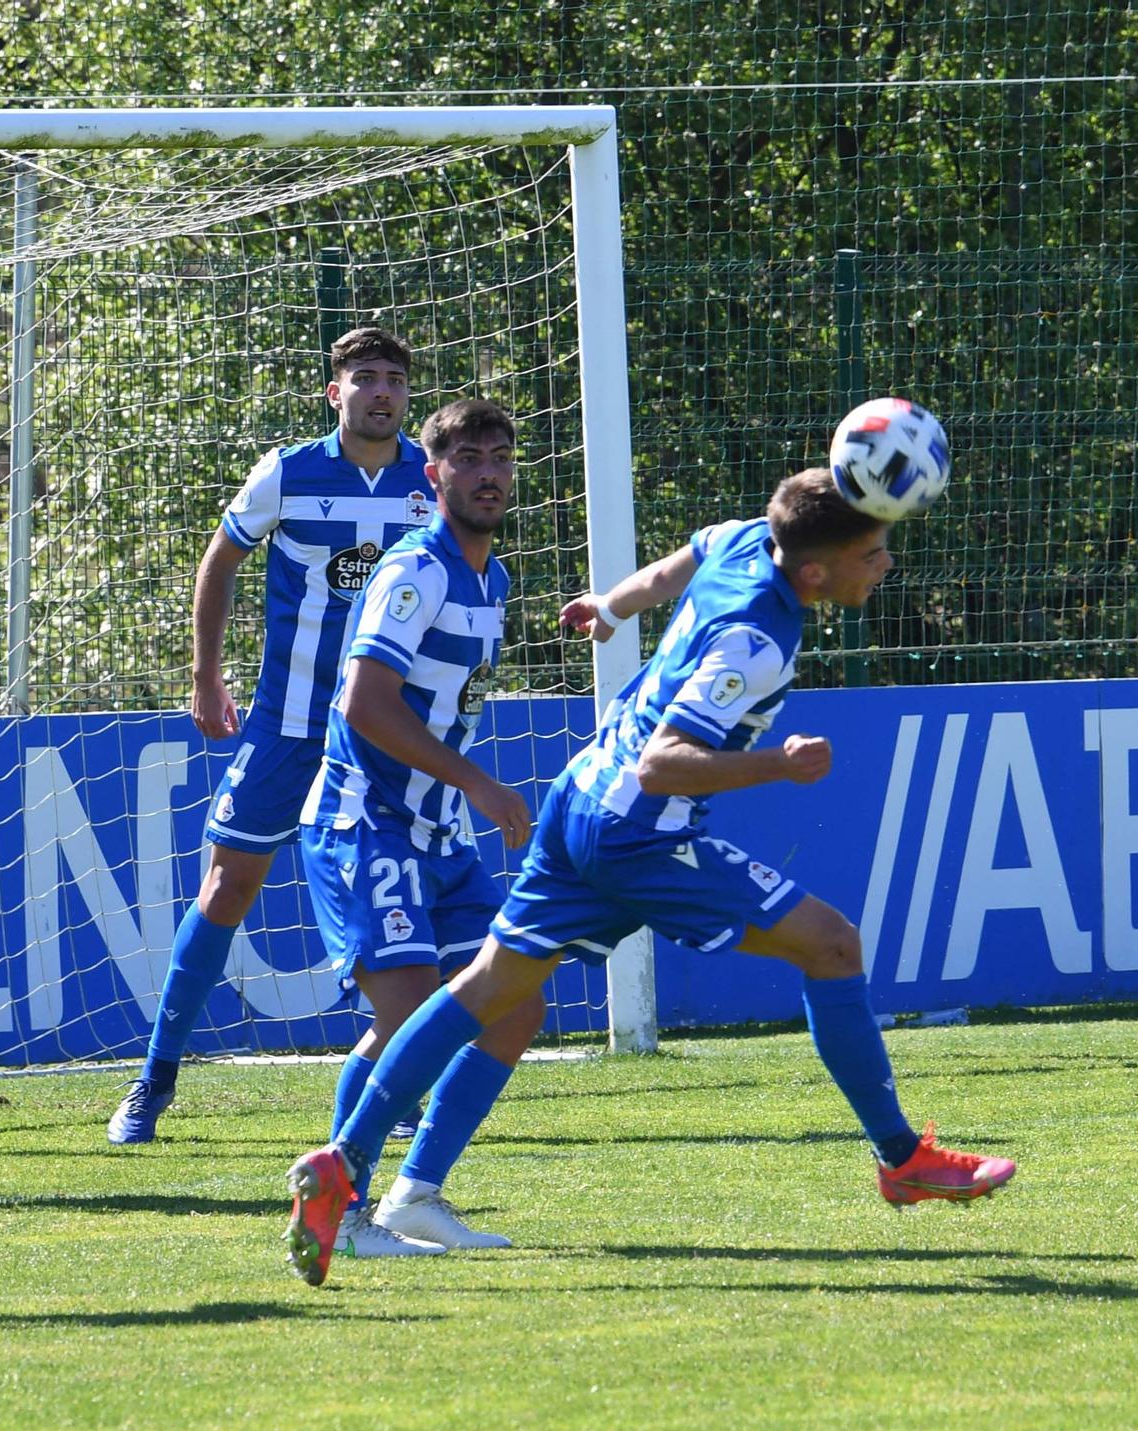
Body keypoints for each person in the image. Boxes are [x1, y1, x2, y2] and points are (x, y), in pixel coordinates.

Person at [284, 468, 1018, 1286]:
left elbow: (682, 560)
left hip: (577, 803)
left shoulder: (747, 537)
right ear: (815, 572)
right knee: (833, 946)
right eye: (873, 550)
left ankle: (346, 1164)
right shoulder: (758, 639)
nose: (884, 564)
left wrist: (613, 605)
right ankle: (901, 1159)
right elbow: (667, 764)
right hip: (638, 834)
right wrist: (778, 763)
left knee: (489, 993)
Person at [105, 327, 443, 1146]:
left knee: (394, 900)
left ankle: (398, 1086)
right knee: (226, 891)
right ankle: (153, 1083)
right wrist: (205, 675)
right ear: (336, 393)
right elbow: (219, 560)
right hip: (287, 724)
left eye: (394, 379)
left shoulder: (431, 482)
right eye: (365, 378)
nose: (381, 392)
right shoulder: (288, 470)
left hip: (382, 736)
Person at [295, 397, 542, 1261]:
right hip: (365, 825)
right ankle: (343, 1213)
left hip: (437, 839)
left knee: (514, 1008)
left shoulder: (494, 577)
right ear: (431, 474)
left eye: (500, 457)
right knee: (405, 1021)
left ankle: (416, 1194)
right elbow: (364, 703)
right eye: (467, 458)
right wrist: (476, 781)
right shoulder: (416, 570)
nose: (487, 472)